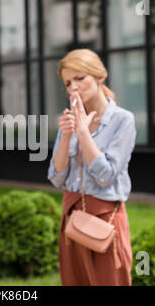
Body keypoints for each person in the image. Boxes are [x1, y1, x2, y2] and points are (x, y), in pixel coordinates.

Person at [47, 49, 136, 286]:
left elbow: (106, 175)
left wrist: (84, 133)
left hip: (105, 218)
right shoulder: (70, 118)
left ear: (99, 77)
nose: (73, 88)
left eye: (80, 78)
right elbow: (56, 177)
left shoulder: (123, 120)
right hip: (72, 216)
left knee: (110, 281)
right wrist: (66, 136)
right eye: (68, 82)